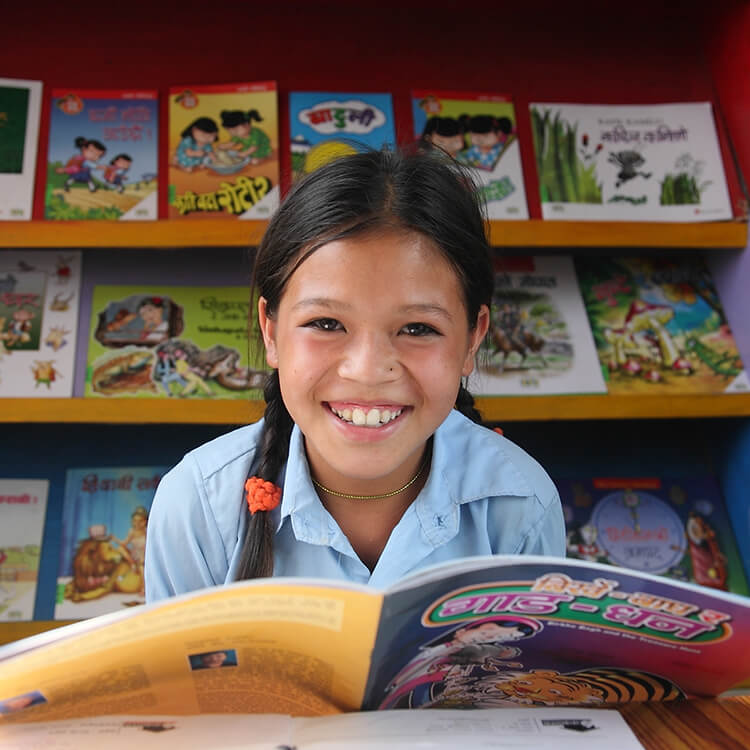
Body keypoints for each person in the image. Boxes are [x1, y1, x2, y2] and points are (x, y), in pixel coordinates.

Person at [145, 145, 565, 603]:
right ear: (270, 331)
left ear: (471, 339)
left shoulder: (520, 507)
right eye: (326, 324)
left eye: (417, 328)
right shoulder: (197, 506)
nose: (367, 371)